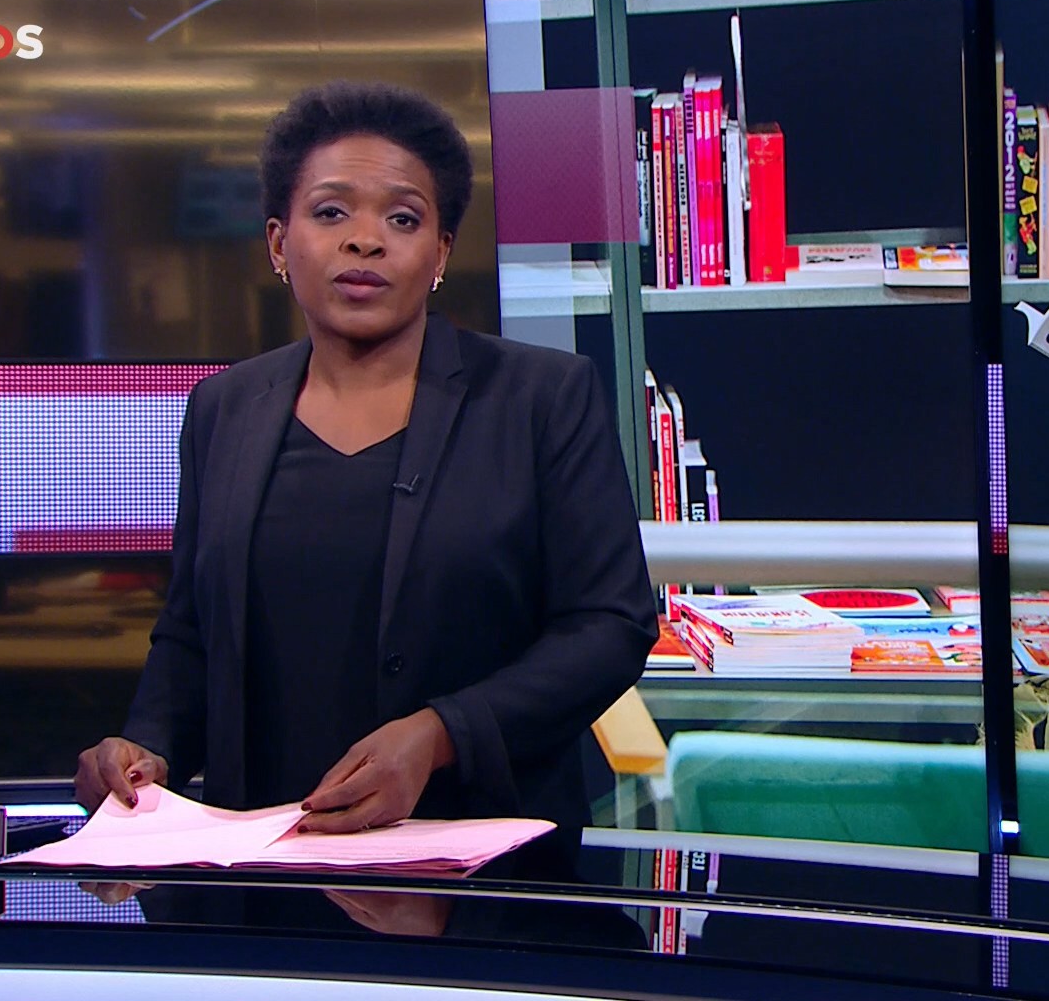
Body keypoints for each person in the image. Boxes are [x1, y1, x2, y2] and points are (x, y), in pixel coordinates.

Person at [75, 81, 657, 835]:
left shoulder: (541, 396)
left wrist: (441, 735)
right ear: (279, 244)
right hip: (264, 860)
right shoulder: (224, 408)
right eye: (330, 212)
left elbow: (609, 626)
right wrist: (147, 751)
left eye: (403, 218)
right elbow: (191, 633)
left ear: (440, 252)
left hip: (478, 857)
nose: (365, 240)